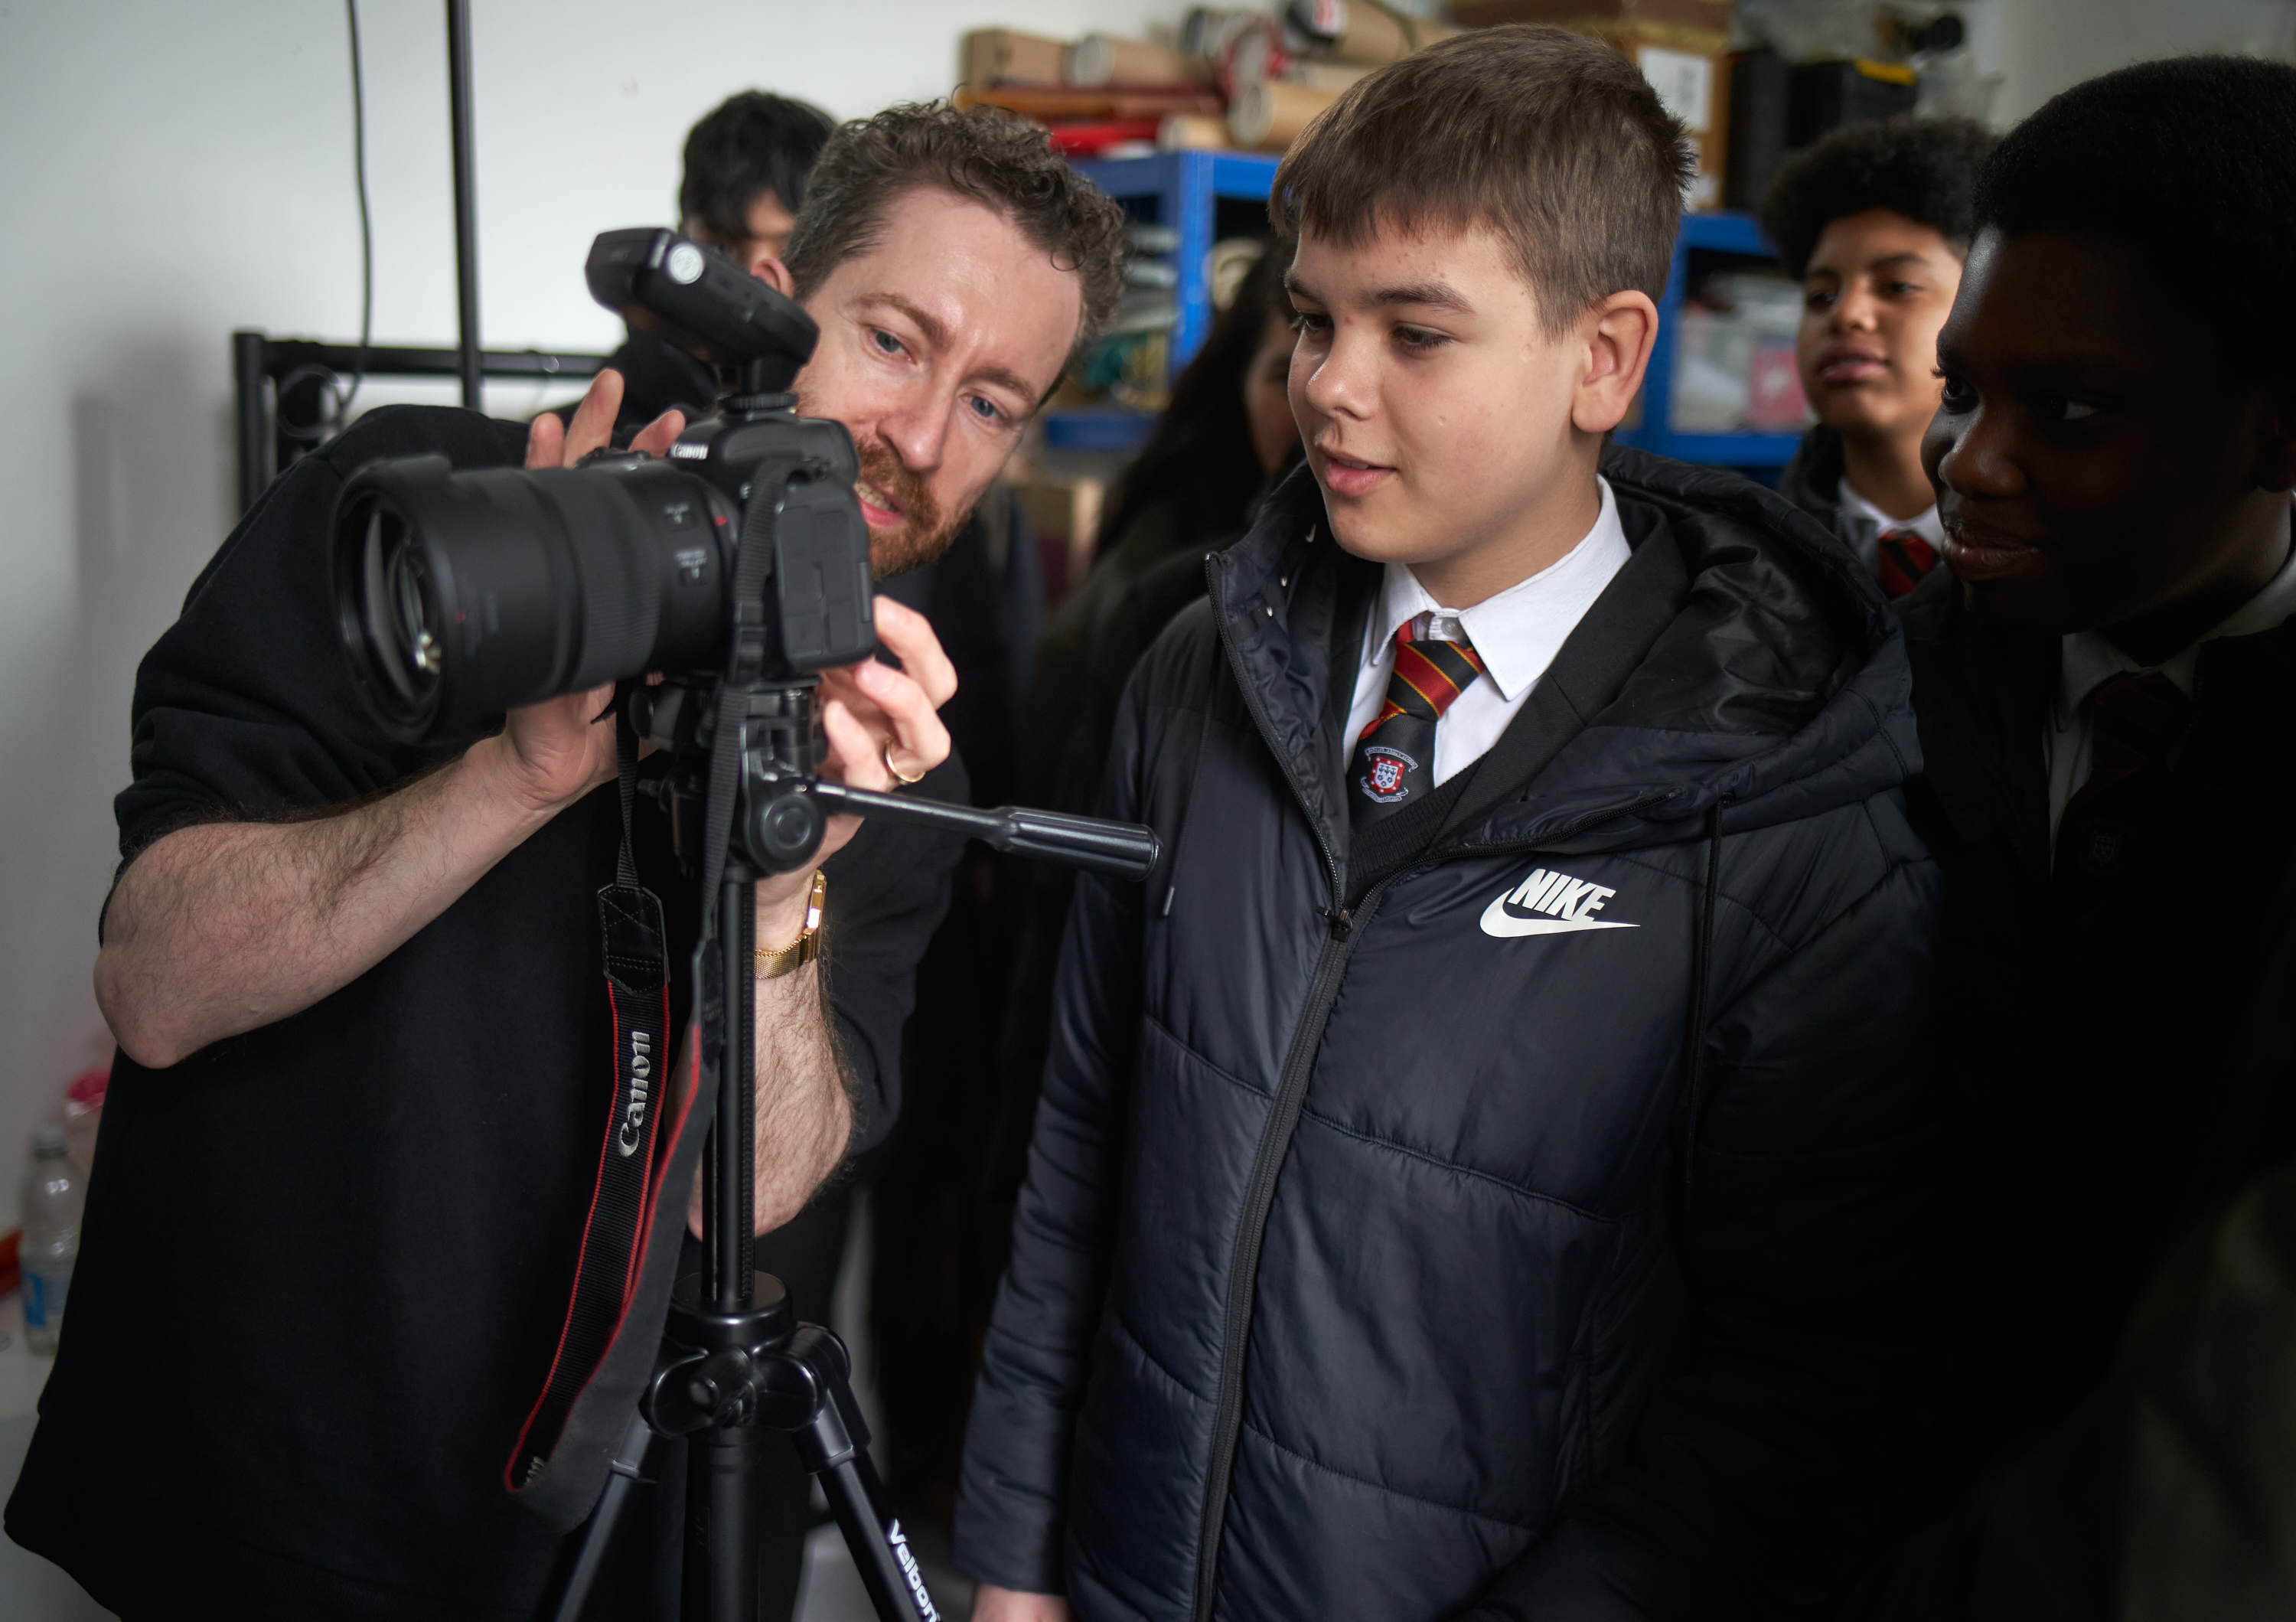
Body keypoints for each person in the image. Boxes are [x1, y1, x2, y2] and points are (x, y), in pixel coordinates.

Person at [3, 101, 1126, 1621]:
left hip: (592, 1537)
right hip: (259, 1510)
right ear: (775, 297)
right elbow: (157, 984)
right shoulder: (426, 527)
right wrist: (522, 768)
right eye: (897, 343)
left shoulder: (889, 743)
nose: (925, 439)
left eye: (995, 401)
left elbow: (782, 1171)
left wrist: (790, 874)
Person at [956, 28, 1939, 1622]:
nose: (1328, 385)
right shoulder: (1201, 670)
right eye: (1310, 321)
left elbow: (1798, 1384)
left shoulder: (1782, 802)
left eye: (1416, 332)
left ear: (1606, 360)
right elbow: (1080, 1141)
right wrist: (1013, 1552)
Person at [1868, 54, 2296, 1582]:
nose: (1972, 466)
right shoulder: (1855, 703)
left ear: (2278, 432)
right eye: (1968, 391)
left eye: (2071, 408)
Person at [1763, 116, 1995, 595]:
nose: (1846, 315)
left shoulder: (2058, 563)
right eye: (1821, 296)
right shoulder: (1750, 560)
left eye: (1897, 287)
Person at [592, 89, 837, 437]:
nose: (758, 275)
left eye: (791, 248)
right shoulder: (601, 428)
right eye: (722, 246)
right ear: (682, 238)